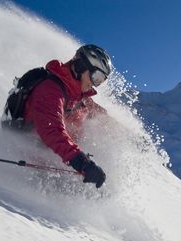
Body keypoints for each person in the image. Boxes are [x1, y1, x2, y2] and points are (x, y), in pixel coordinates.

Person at [21, 44, 112, 188]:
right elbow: (52, 131)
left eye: (101, 81)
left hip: (60, 162)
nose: (95, 84)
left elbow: (101, 116)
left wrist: (130, 136)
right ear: (81, 66)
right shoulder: (50, 90)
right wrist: (83, 163)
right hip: (33, 164)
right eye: (96, 77)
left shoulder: (79, 98)